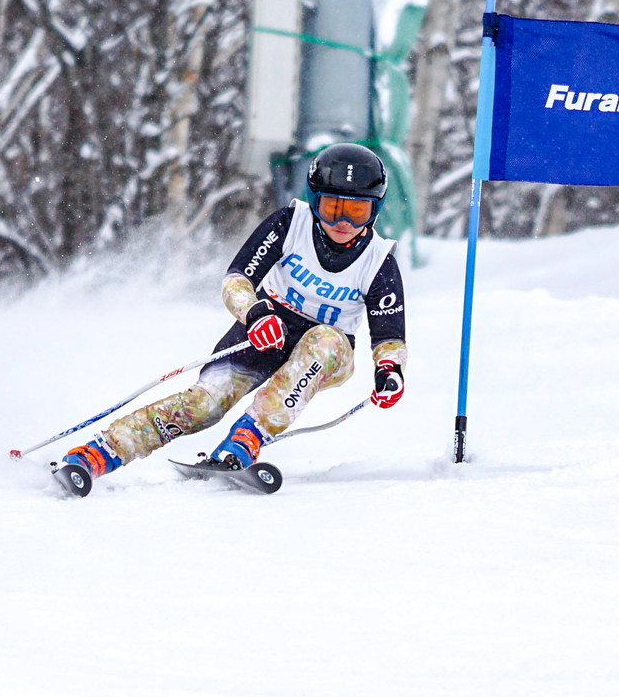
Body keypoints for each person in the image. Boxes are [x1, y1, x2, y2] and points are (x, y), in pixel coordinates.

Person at [56, 143, 406, 491]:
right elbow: (237, 279)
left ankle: (243, 443)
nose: (342, 223)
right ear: (315, 202)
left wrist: (390, 372)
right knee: (204, 404)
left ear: (375, 211)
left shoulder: (378, 261)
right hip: (268, 329)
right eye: (332, 208)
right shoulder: (290, 224)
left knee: (323, 342)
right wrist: (253, 315)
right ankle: (97, 453)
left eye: (357, 212)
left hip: (330, 351)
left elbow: (389, 336)